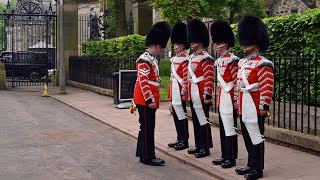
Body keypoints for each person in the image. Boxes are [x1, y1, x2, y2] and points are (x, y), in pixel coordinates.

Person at [235, 15, 274, 179]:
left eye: (248, 40)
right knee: (247, 136)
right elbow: (239, 86)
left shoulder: (263, 63)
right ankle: (251, 164)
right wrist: (237, 103)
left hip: (256, 106)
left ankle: (257, 169)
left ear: (256, 42)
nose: (245, 44)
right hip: (245, 105)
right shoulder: (242, 63)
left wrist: (264, 107)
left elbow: (267, 86)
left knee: (256, 137)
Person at [134, 22, 171, 166]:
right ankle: (148, 157)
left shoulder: (151, 59)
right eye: (161, 47)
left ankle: (142, 152)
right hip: (145, 99)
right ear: (155, 45)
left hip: (146, 98)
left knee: (145, 126)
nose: (161, 50)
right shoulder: (144, 60)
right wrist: (150, 100)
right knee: (148, 128)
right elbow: (143, 82)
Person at [210, 20, 239, 168]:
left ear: (225, 44)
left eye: (219, 43)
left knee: (230, 127)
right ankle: (224, 155)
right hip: (222, 97)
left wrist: (235, 99)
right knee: (223, 127)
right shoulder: (219, 60)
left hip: (229, 97)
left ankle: (231, 157)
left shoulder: (232, 60)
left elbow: (235, 81)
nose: (216, 45)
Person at [186, 19, 214, 158]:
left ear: (200, 41)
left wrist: (208, 95)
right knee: (196, 121)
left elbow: (209, 78)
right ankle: (198, 145)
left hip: (202, 94)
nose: (191, 43)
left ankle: (205, 147)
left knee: (203, 121)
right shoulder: (192, 57)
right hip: (193, 93)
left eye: (194, 40)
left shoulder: (206, 58)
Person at [167, 22, 190, 151]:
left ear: (183, 45)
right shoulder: (175, 59)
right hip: (174, 89)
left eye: (177, 44)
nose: (175, 46)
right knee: (176, 115)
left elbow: (186, 78)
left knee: (181, 115)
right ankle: (179, 138)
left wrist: (183, 91)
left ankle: (184, 139)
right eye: (174, 44)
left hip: (180, 90)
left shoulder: (185, 59)